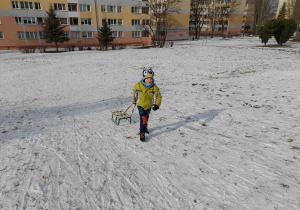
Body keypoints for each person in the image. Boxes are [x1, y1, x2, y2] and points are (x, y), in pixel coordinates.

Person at [132, 68, 162, 142]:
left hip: (149, 106)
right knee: (143, 119)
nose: (149, 80)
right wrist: (134, 101)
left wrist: (157, 105)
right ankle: (142, 132)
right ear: (144, 78)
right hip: (141, 105)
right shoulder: (138, 85)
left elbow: (159, 96)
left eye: (151, 78)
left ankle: (145, 127)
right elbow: (134, 93)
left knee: (147, 117)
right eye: (147, 78)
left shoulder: (154, 87)